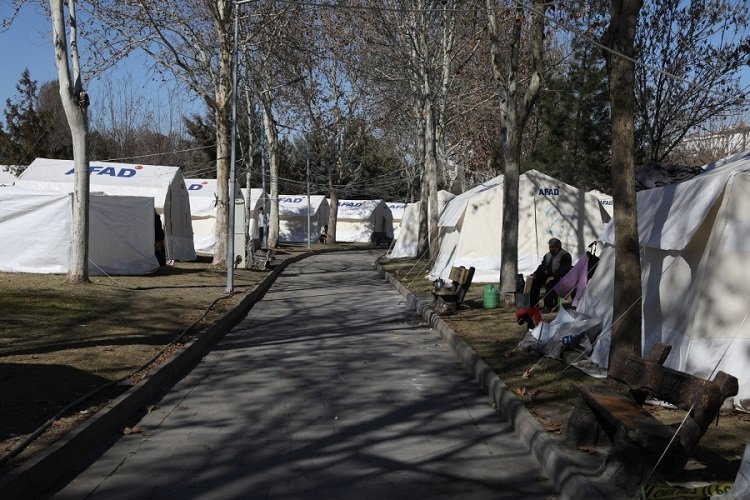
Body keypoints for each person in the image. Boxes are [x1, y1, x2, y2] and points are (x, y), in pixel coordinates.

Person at [530, 237, 572, 313]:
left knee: (551, 284)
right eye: (550, 247)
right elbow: (542, 267)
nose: (551, 249)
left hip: (560, 277)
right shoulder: (547, 256)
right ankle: (534, 305)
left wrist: (554, 276)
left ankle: (548, 306)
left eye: (553, 247)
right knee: (535, 282)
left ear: (558, 247)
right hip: (548, 276)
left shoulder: (565, 255)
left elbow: (564, 268)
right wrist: (535, 274)